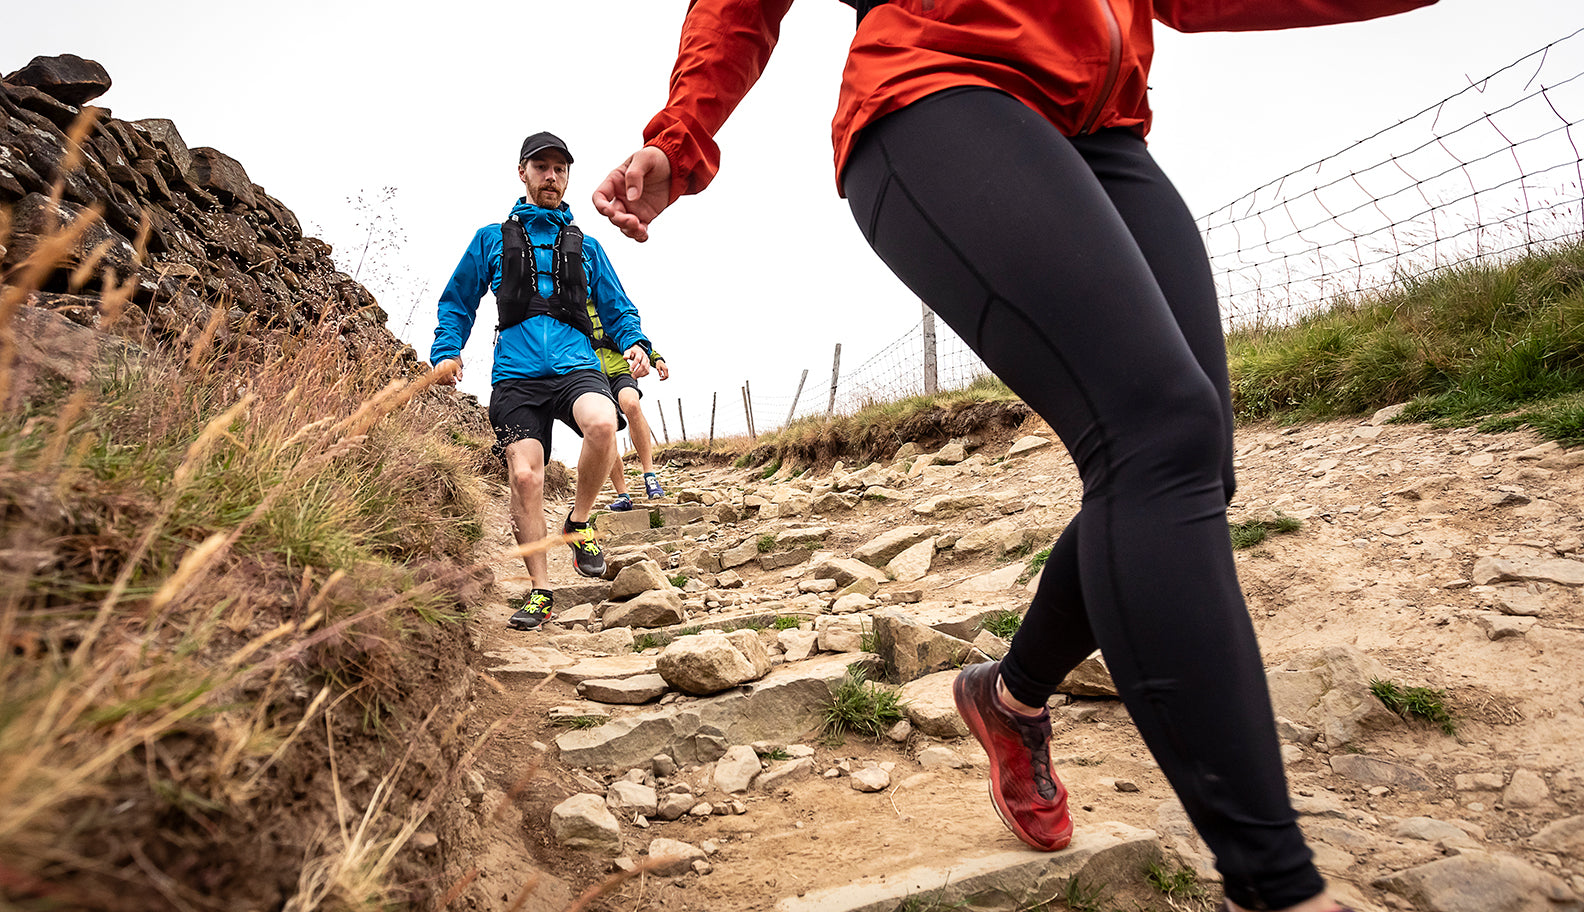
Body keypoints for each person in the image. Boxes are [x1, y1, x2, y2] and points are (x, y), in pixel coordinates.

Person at [591, 1, 1437, 910]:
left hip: (1101, 128)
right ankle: (1276, 888)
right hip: (938, 86)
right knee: (1156, 432)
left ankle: (1012, 696)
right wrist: (683, 136)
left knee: (1190, 461)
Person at [432, 130, 653, 632]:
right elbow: (457, 300)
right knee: (526, 476)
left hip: (576, 367)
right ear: (523, 173)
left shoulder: (587, 245)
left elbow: (618, 309)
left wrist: (634, 341)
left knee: (602, 424)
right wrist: (448, 351)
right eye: (541, 167)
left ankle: (578, 522)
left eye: (560, 168)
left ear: (568, 176)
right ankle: (540, 591)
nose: (551, 176)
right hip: (515, 375)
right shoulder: (492, 238)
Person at [586, 304, 671, 510]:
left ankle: (649, 475)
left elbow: (632, 333)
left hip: (622, 370)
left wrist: (655, 358)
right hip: (593, 375)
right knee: (608, 427)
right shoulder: (570, 303)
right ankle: (623, 495)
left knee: (631, 404)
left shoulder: (607, 298)